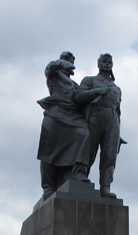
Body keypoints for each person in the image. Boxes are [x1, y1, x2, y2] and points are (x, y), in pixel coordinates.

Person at [36, 51, 103, 199]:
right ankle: (48, 186)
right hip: (55, 114)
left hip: (73, 116)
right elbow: (50, 67)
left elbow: (81, 99)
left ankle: (78, 174)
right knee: (48, 152)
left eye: (72, 60)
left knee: (84, 134)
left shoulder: (75, 85)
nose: (70, 62)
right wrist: (61, 63)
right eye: (67, 59)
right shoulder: (53, 75)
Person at [78, 53, 123, 198]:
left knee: (109, 156)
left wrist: (118, 134)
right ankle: (80, 179)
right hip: (94, 116)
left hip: (112, 120)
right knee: (88, 150)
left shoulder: (117, 89)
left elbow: (118, 111)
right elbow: (78, 97)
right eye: (104, 61)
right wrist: (97, 91)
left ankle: (106, 187)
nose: (107, 63)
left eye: (110, 61)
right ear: (98, 64)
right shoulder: (89, 80)